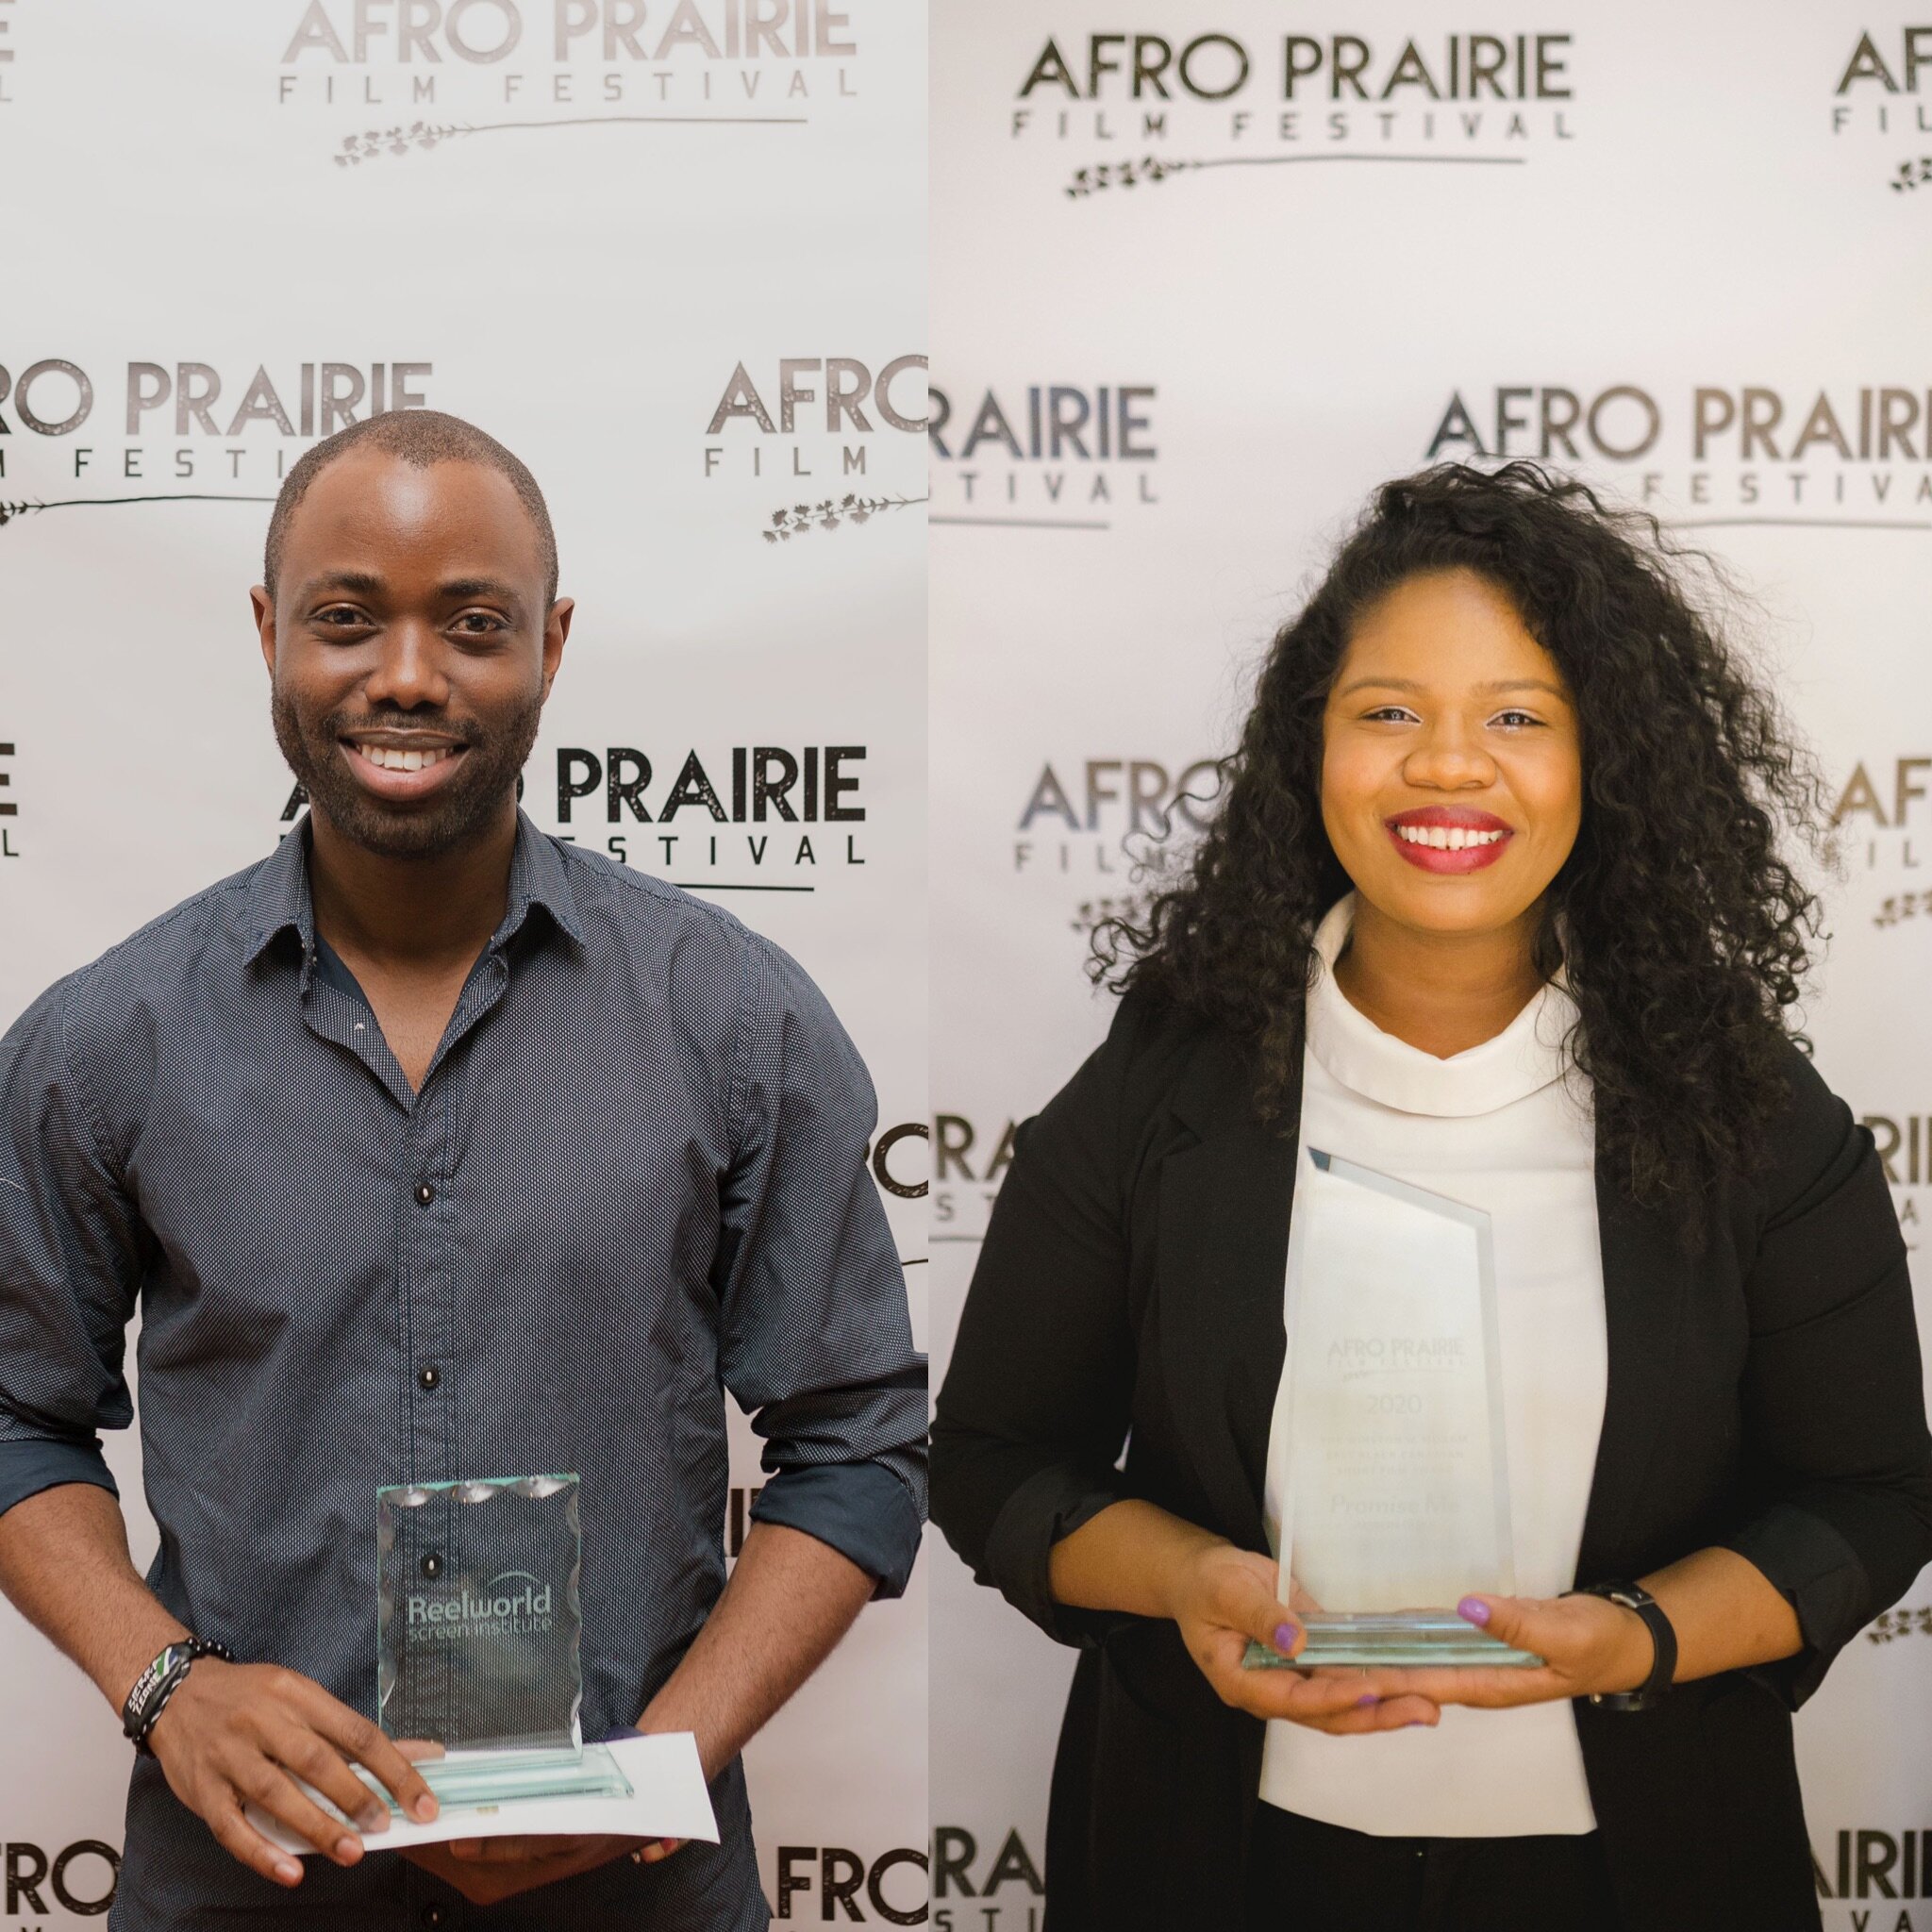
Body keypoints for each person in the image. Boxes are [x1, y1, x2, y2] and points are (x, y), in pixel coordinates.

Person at [930, 462, 1932, 1932]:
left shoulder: (1743, 1108)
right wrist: (1195, 1581)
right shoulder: (1165, 1082)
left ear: (1607, 764)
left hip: (1635, 1877)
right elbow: (996, 1462)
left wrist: (1638, 1640)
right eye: (1388, 712)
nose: (1449, 766)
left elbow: (1871, 1495)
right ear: (1309, 751)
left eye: (1519, 718)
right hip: (1225, 1864)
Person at [0, 409, 925, 1931]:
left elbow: (859, 1448)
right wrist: (166, 1685)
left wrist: (657, 1769)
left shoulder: (734, 1020)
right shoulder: (108, 1039)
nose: (410, 676)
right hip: (249, 1888)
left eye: (474, 625)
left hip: (638, 1895)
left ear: (552, 645)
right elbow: (17, 1417)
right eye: (348, 619)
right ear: (268, 633)